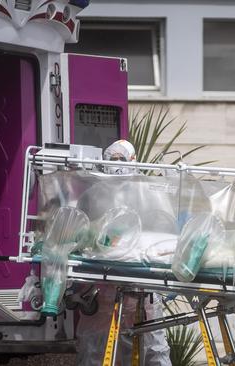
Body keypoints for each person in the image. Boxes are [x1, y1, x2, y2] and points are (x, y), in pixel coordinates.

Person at [76, 140, 172, 366]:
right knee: (97, 346)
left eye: (122, 159)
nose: (117, 165)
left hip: (143, 281)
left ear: (134, 161)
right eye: (113, 159)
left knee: (152, 343)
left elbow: (165, 228)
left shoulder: (149, 190)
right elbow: (81, 232)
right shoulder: (93, 194)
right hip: (104, 283)